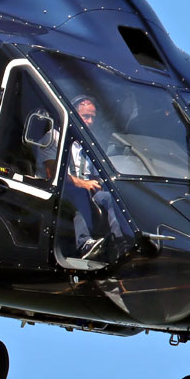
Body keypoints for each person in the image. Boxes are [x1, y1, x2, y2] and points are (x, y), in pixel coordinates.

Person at [65, 96, 130, 260]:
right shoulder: (55, 137)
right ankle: (84, 243)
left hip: (87, 188)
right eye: (86, 116)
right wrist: (83, 184)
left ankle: (120, 241)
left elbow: (96, 174)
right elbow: (52, 173)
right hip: (63, 188)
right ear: (73, 115)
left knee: (109, 196)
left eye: (92, 117)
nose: (90, 121)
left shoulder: (88, 144)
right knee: (79, 192)